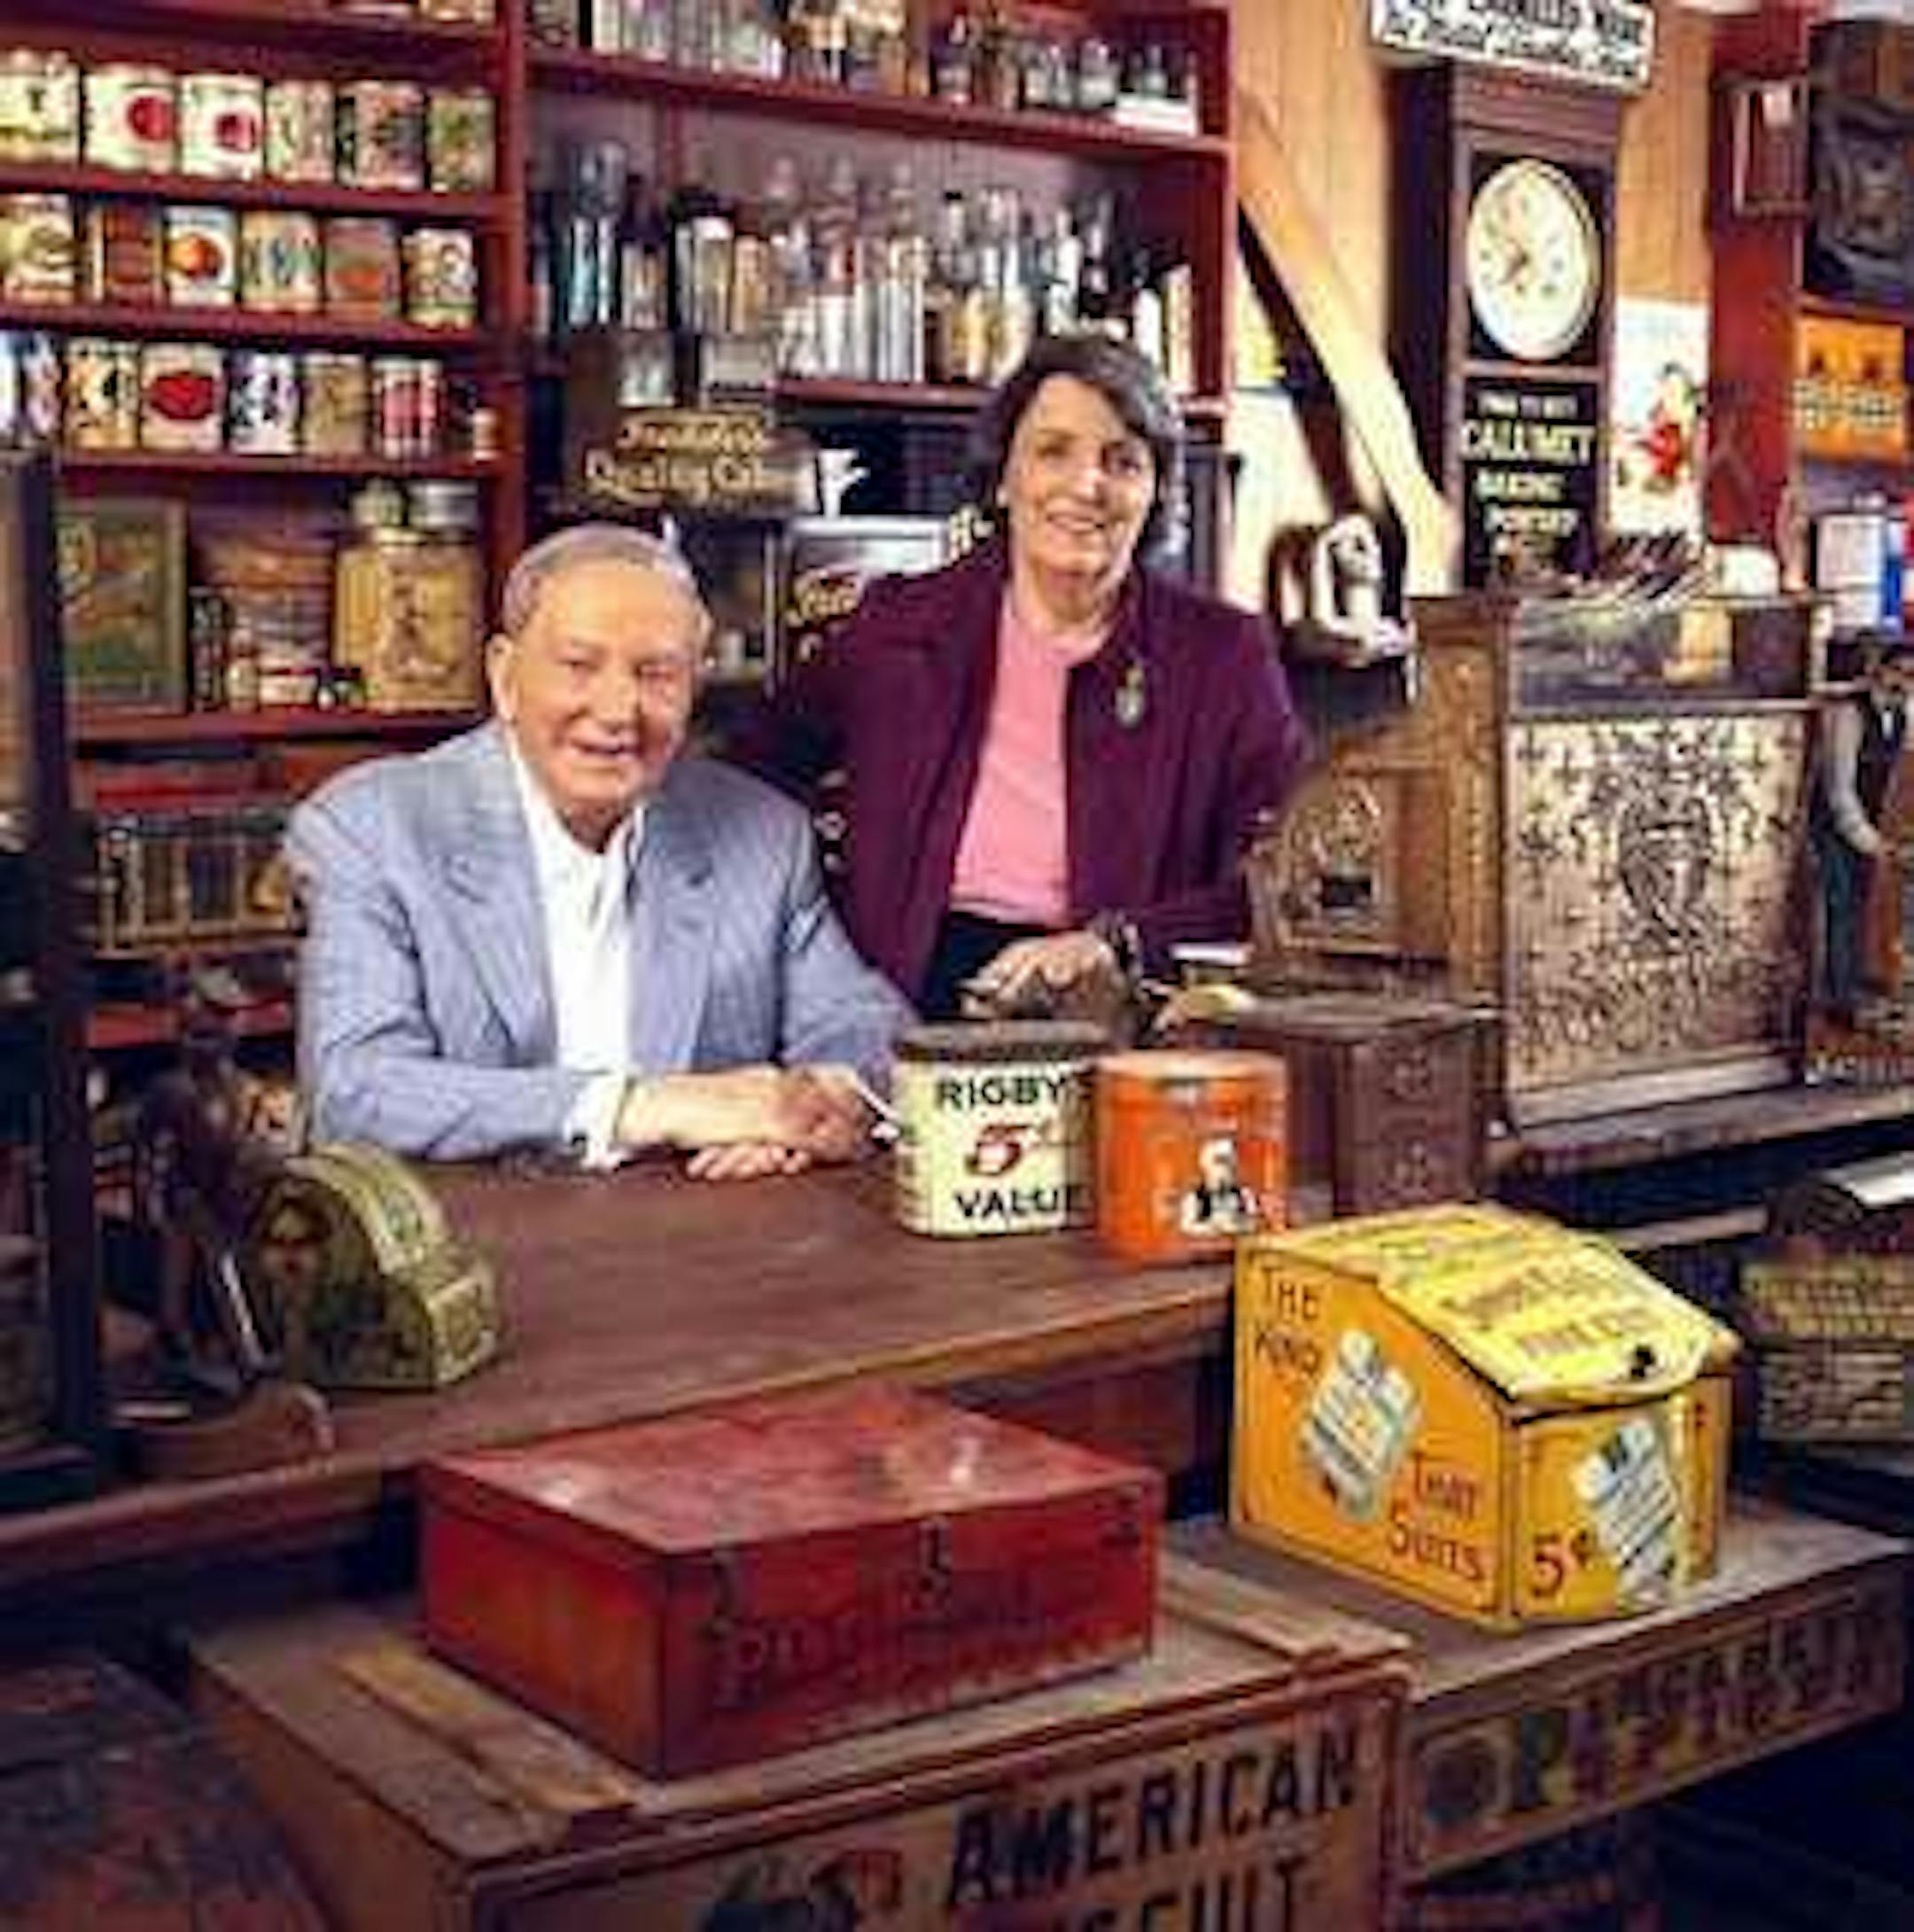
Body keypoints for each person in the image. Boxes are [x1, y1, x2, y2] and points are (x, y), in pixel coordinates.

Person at [287, 524, 912, 1175]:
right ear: (504, 676)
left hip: (700, 1225)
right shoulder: (371, 828)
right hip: (458, 1232)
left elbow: (866, 1027)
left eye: (656, 673)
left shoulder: (763, 833)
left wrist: (810, 1110)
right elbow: (355, 1091)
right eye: (579, 666)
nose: (618, 711)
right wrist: (643, 1106)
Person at [742, 334, 1309, 1020]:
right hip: (903, 1005)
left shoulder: (1223, 657)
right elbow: (752, 778)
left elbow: (1286, 877)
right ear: (1004, 478)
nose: (1087, 485)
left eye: (1123, 461)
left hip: (1125, 1012)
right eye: (1053, 451)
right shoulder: (898, 627)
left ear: (1157, 491)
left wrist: (1122, 944)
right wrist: (819, 935)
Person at [1811, 634, 1914, 1028]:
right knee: (1841, 906)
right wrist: (1874, 843)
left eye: (1911, 677)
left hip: (1870, 822)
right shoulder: (1849, 714)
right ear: (1878, 671)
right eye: (1898, 673)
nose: (1903, 683)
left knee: (1864, 906)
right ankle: (1839, 997)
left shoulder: (1902, 715)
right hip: (1833, 825)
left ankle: (1858, 985)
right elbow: (1839, 791)